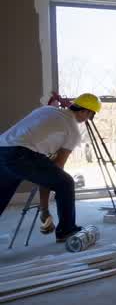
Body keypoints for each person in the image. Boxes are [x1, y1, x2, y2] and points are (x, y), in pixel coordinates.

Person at [0, 93, 100, 242]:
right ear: (85, 111)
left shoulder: (46, 110)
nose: (87, 119)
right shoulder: (73, 131)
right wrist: (44, 209)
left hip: (2, 148)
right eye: (90, 115)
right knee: (66, 183)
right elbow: (56, 171)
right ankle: (66, 230)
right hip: (21, 154)